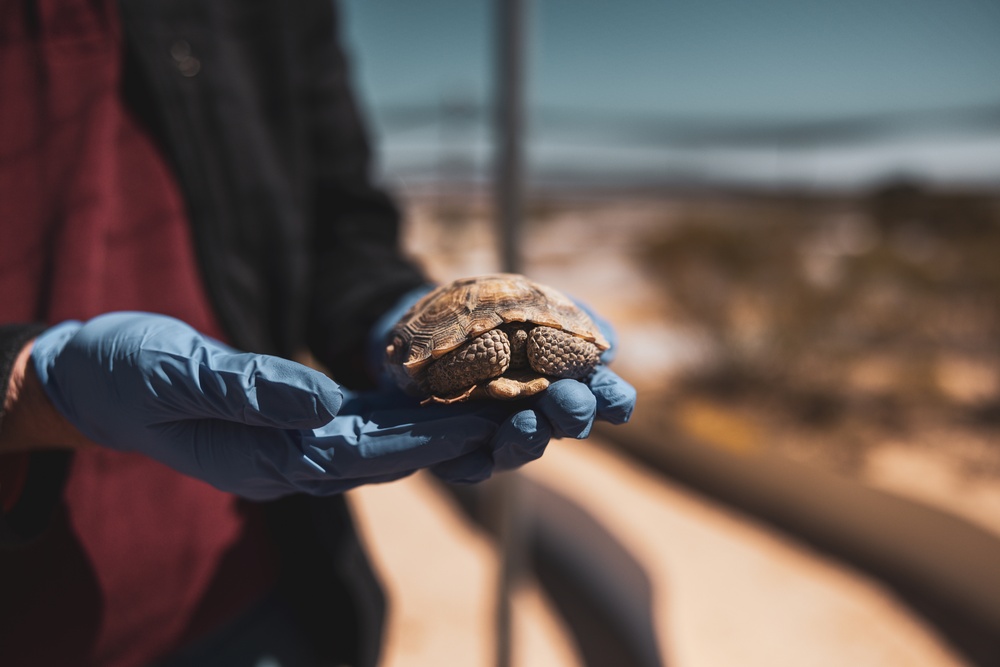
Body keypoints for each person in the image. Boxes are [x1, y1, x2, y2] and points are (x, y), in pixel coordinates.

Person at [0, 1, 636, 666]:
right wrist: (26, 382)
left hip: (265, 594)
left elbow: (341, 226)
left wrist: (384, 314)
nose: (506, 349)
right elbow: (474, 347)